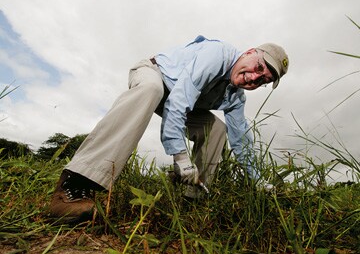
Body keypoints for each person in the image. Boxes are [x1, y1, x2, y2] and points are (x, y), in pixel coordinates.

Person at [49, 35, 289, 223]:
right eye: (259, 68)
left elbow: (242, 140)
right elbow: (180, 100)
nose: (253, 79)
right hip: (155, 74)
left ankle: (193, 197)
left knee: (217, 130)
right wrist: (180, 156)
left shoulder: (236, 96)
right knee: (151, 90)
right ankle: (74, 184)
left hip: (177, 98)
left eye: (262, 80)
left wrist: (258, 181)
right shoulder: (218, 55)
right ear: (248, 52)